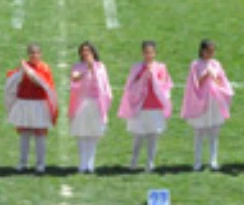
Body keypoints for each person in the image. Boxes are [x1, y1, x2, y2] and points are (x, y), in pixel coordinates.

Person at [119, 40, 173, 172]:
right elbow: (131, 85)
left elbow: (165, 86)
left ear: (154, 53)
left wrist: (153, 76)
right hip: (141, 107)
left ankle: (150, 162)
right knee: (138, 136)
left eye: (151, 52)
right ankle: (134, 161)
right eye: (146, 52)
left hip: (155, 107)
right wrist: (143, 76)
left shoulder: (160, 67)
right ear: (142, 53)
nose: (148, 55)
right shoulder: (137, 67)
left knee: (153, 136)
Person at [4, 43, 58, 173]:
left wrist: (27, 70)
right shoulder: (23, 67)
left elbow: (39, 82)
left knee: (40, 134)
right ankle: (23, 163)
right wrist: (22, 71)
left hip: (39, 104)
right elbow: (12, 80)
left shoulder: (44, 68)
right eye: (31, 53)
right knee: (24, 134)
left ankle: (40, 164)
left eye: (36, 53)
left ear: (41, 54)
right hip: (25, 103)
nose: (34, 56)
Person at [181, 39, 233, 172]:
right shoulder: (196, 64)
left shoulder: (216, 64)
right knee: (199, 132)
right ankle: (197, 161)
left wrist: (214, 79)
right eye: (208, 51)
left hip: (214, 102)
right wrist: (204, 76)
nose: (210, 54)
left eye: (212, 51)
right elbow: (193, 84)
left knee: (214, 132)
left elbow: (222, 81)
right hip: (201, 102)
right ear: (202, 51)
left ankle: (213, 160)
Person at [68, 41, 111, 174]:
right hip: (81, 104)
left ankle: (90, 165)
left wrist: (93, 69)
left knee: (93, 135)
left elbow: (103, 85)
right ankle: (82, 164)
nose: (86, 53)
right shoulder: (77, 66)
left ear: (93, 52)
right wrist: (86, 69)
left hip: (95, 104)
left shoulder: (100, 66)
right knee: (82, 135)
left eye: (88, 50)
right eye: (83, 51)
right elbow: (74, 79)